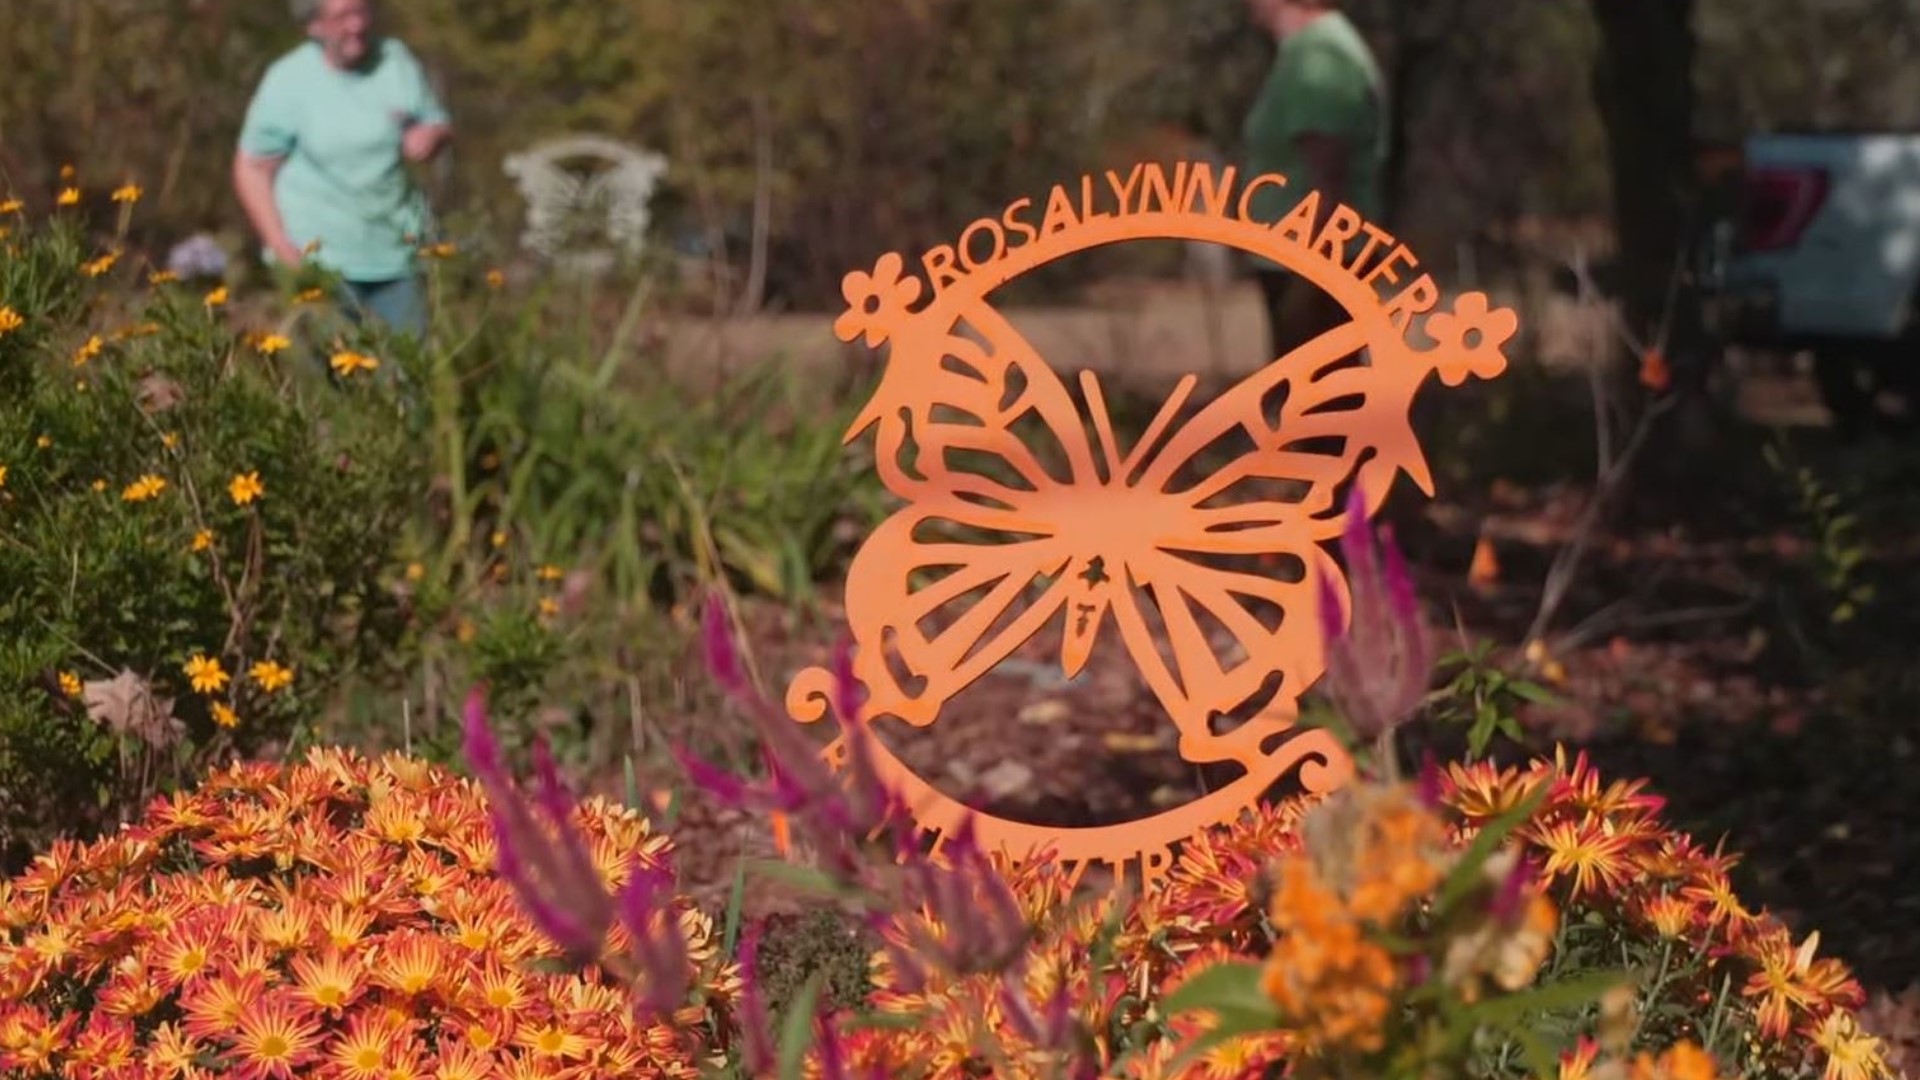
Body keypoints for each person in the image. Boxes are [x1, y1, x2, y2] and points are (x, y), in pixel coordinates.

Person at [232, 0, 452, 341]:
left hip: (398, 254)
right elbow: (252, 167)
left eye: (362, 11)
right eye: (341, 17)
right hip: (320, 262)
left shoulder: (396, 61)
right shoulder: (289, 80)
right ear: (314, 26)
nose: (356, 25)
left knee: (411, 377)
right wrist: (280, 246)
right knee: (334, 379)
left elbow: (436, 121)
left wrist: (430, 136)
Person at [1240, 0, 1388, 361]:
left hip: (1314, 265)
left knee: (1322, 402)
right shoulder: (1305, 53)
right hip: (1296, 262)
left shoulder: (1320, 59)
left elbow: (1327, 183)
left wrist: (1308, 284)